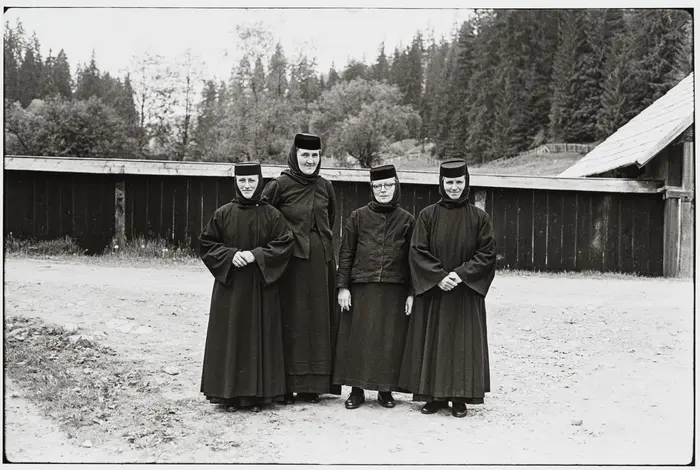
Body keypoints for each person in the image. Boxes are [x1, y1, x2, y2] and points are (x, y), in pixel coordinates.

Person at [398, 158, 497, 418]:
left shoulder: (479, 217)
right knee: (434, 341)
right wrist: (439, 277)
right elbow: (417, 251)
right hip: (436, 292)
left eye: (458, 182)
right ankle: (434, 397)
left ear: (466, 183)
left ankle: (460, 397)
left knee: (462, 344)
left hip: (464, 293)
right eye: (449, 182)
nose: (454, 187)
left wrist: (461, 274)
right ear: (441, 183)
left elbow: (486, 254)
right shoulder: (428, 215)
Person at [198, 162, 294, 412]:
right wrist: (230, 255)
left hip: (262, 288)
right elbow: (207, 245)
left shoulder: (272, 214)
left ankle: (258, 396)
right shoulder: (223, 213)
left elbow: (284, 244)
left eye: (252, 181)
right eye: (243, 181)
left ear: (259, 181)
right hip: (230, 288)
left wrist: (257, 255)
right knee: (232, 337)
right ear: (236, 183)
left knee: (258, 338)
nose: (247, 186)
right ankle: (228, 395)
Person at [262, 133, 341, 404]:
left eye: (314, 155)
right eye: (304, 155)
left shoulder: (326, 186)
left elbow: (331, 220)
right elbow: (264, 220)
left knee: (318, 322)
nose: (309, 160)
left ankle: (312, 385)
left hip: (321, 266)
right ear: (294, 155)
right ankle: (285, 384)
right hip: (290, 266)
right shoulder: (279, 185)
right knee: (291, 320)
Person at [333, 164, 415, 410]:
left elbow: (413, 260)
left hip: (394, 288)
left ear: (396, 186)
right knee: (358, 339)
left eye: (388, 185)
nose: (383, 190)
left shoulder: (407, 220)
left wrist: (411, 293)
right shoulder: (358, 217)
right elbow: (346, 252)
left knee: (389, 340)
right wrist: (343, 287)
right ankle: (356, 390)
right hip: (362, 287)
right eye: (377, 186)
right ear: (371, 188)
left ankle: (385, 390)